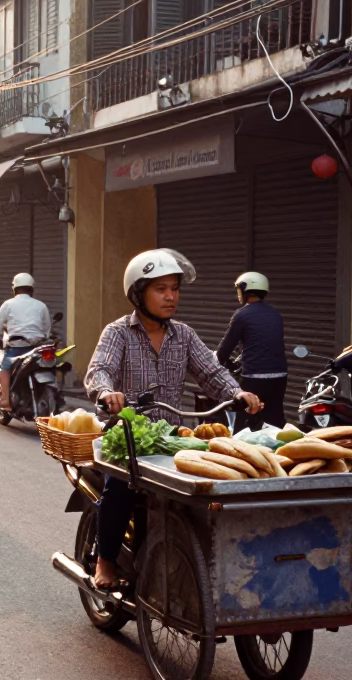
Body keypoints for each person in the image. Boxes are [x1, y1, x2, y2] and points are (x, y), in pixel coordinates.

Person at [85, 249, 263, 589]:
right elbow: (100, 369)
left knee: (201, 493)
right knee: (118, 491)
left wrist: (237, 393)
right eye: (161, 289)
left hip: (172, 436)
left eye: (175, 289)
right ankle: (105, 560)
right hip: (127, 435)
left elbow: (211, 372)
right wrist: (106, 393)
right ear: (139, 294)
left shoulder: (183, 334)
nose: (171, 297)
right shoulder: (117, 333)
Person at [216, 271, 289, 431]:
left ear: (244, 289)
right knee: (275, 422)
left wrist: (216, 363)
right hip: (280, 376)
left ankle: (240, 452)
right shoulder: (275, 314)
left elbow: (225, 349)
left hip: (254, 377)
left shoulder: (242, 315)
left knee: (244, 424)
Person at [0, 273, 51, 411]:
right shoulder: (41, 306)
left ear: (14, 289)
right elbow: (46, 330)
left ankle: (4, 401)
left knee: (6, 368)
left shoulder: (8, 304)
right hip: (37, 349)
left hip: (17, 348)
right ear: (31, 289)